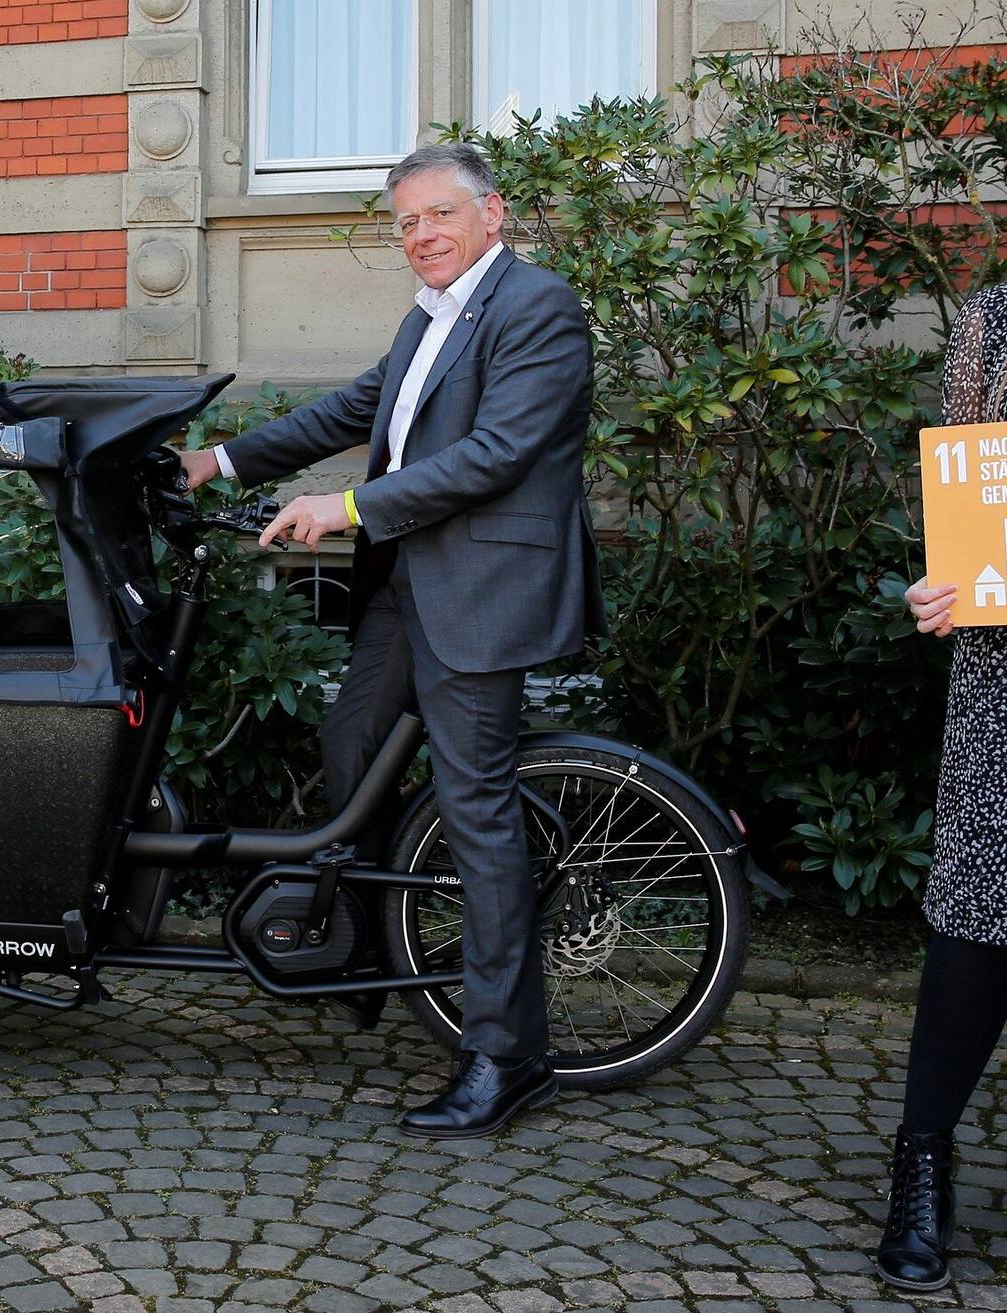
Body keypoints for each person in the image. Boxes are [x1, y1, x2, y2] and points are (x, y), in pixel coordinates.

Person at [179, 142, 602, 1139]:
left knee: (476, 813)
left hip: (484, 592)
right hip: (411, 586)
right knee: (352, 743)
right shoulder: (432, 316)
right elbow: (357, 407)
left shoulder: (537, 306)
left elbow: (495, 455)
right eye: (406, 223)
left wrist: (349, 506)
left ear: (492, 214)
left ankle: (507, 1056)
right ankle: (363, 954)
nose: (421, 238)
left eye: (439, 217)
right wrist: (221, 458)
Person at [887, 263, 1007, 1290]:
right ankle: (922, 1162)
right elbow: (970, 496)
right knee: (979, 913)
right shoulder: (999, 319)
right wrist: (946, 580)